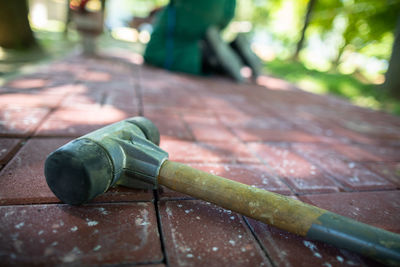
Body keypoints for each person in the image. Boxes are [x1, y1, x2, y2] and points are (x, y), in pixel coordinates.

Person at [143, 0, 261, 82]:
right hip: (214, 22)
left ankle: (208, 54)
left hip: (184, 18)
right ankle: (233, 48)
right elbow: (229, 13)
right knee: (205, 42)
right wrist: (217, 26)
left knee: (154, 54)